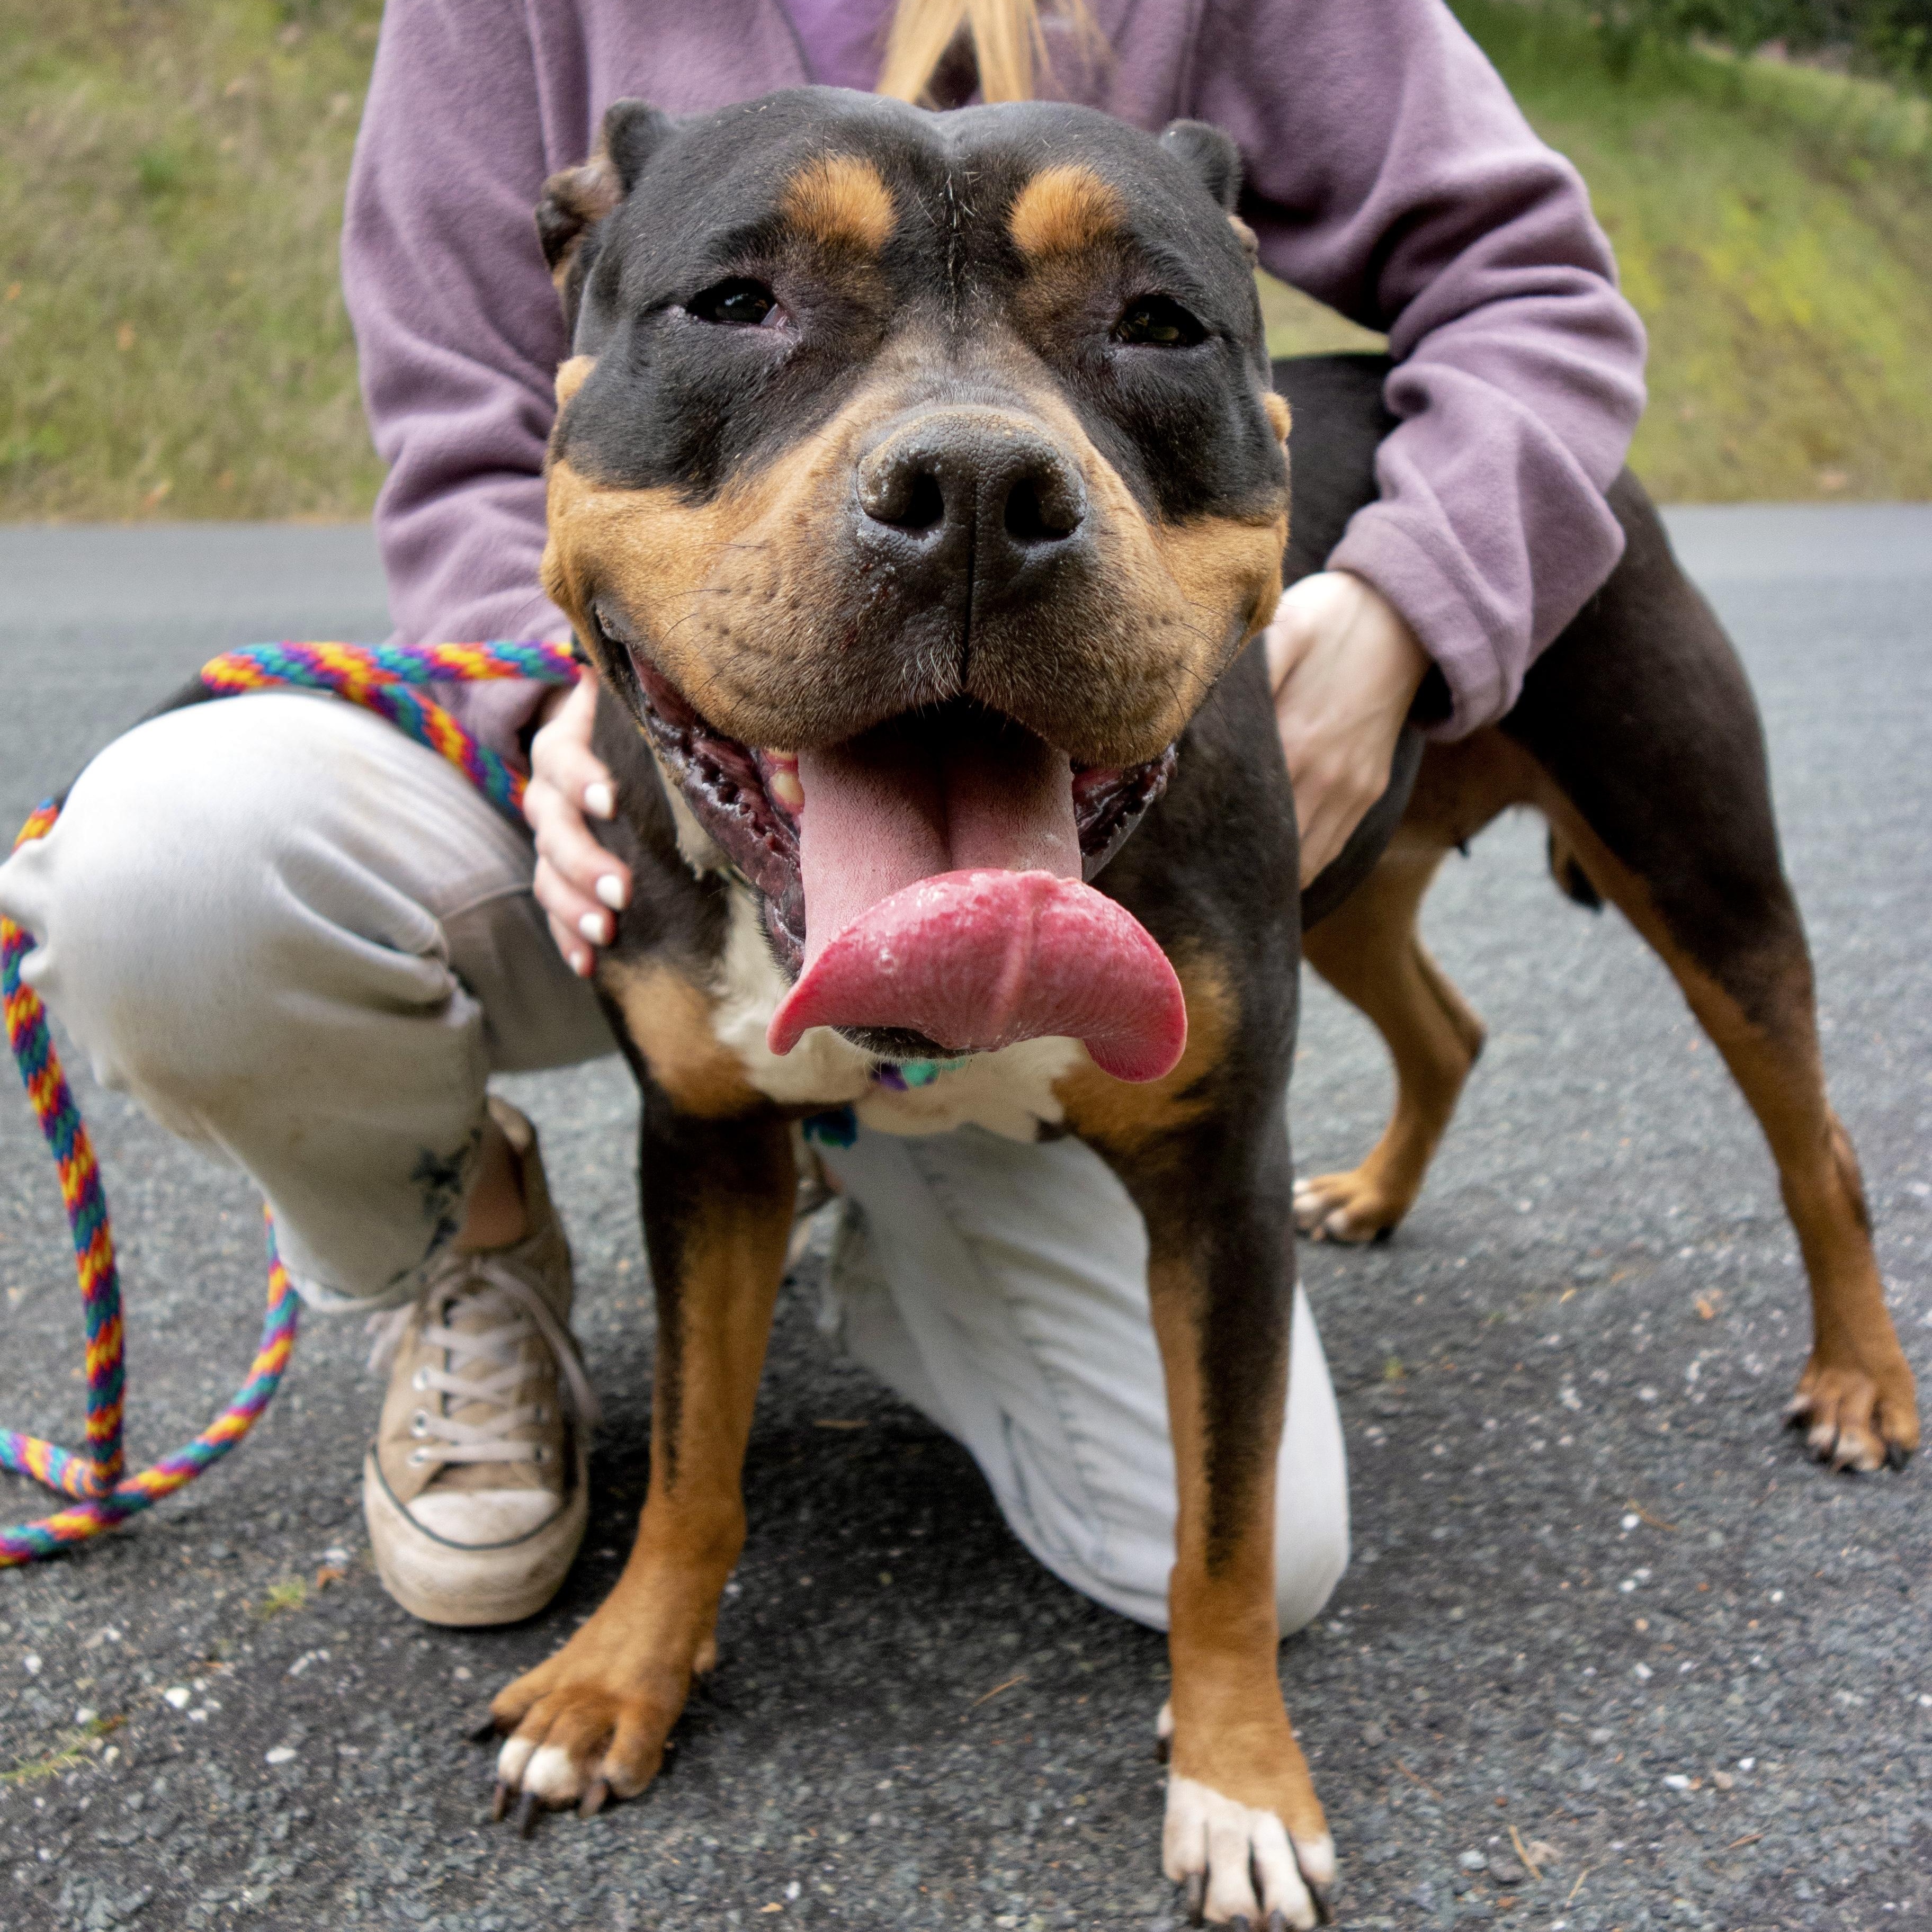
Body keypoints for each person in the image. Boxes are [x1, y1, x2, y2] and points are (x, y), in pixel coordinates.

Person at [0, 0, 1644, 1634]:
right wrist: (553, 684)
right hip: (609, 760)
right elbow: (462, 413)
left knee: (1260, 1577)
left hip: (1084, 863)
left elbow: (1533, 286)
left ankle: (910, 1213)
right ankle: (465, 1249)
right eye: (735, 300)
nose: (968, 459)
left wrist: (1406, 608)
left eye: (1143, 320)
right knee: (166, 865)